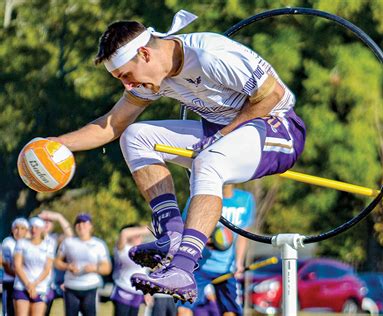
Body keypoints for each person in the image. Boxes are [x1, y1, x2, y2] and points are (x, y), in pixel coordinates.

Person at [49, 9, 305, 302]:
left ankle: (183, 268)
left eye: (126, 76)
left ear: (145, 54)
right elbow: (113, 125)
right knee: (136, 136)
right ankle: (171, 234)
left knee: (210, 160)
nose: (127, 85)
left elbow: (270, 97)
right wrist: (57, 144)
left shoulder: (209, 54)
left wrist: (220, 137)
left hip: (279, 129)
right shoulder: (154, 75)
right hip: (224, 135)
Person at [178, 184, 255, 316]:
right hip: (198, 267)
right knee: (183, 309)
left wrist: (239, 263)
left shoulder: (245, 199)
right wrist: (202, 240)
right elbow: (185, 227)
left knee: (230, 312)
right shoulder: (198, 197)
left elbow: (243, 235)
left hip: (227, 269)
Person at [54, 213, 112, 316]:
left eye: (84, 223)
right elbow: (57, 262)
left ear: (90, 226)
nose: (81, 226)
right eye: (78, 223)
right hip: (71, 287)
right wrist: (68, 266)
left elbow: (107, 268)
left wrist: (95, 268)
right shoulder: (68, 242)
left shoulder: (99, 244)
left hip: (90, 287)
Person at [13, 217, 55, 316]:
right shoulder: (21, 243)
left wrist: (34, 285)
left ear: (42, 229)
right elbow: (17, 266)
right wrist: (28, 285)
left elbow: (47, 269)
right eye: (31, 227)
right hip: (22, 286)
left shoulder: (48, 246)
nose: (34, 230)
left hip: (40, 287)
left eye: (37, 227)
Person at [111, 224, 153, 316]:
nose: (139, 237)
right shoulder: (122, 248)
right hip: (123, 291)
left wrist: (147, 292)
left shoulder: (143, 252)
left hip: (137, 294)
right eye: (136, 235)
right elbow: (124, 233)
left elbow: (144, 273)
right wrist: (144, 230)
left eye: (140, 235)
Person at [38, 210, 74, 315]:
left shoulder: (54, 239)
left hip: (48, 286)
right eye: (44, 221)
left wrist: (59, 217)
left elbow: (70, 237)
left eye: (49, 221)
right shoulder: (28, 238)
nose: (46, 223)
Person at [2, 217, 30, 316]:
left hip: (26, 284)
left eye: (22, 228)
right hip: (11, 283)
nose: (19, 232)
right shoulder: (8, 243)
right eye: (16, 228)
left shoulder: (30, 243)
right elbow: (8, 267)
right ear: (12, 229)